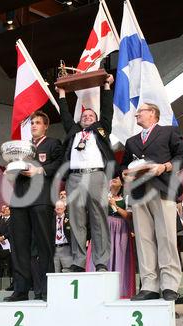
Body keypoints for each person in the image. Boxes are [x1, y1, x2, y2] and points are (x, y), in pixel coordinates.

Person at [121, 103, 183, 301]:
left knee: (166, 237)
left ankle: (169, 284)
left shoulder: (169, 132)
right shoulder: (131, 141)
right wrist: (124, 174)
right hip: (138, 192)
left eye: (140, 111)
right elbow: (124, 164)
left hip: (162, 188)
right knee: (143, 240)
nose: (136, 114)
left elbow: (182, 156)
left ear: (152, 113)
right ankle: (149, 284)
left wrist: (165, 167)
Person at [57, 75, 115, 273]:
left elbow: (108, 110)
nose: (87, 118)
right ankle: (78, 262)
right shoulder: (73, 131)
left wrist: (107, 86)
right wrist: (63, 94)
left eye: (91, 116)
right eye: (84, 116)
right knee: (76, 220)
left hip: (97, 176)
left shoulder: (101, 129)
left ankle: (101, 262)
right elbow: (64, 114)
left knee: (99, 219)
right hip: (74, 177)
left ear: (96, 120)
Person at [5, 110, 63, 302]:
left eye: (38, 123)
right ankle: (21, 289)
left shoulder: (53, 143)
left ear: (45, 126)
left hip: (41, 199)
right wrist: (11, 171)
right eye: (32, 123)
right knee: (19, 246)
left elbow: (61, 164)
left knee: (44, 245)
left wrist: (41, 169)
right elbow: (15, 167)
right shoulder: (22, 147)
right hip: (20, 198)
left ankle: (47, 289)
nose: (34, 126)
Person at [53, 200, 72, 273]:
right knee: (55, 272)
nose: (59, 210)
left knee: (67, 270)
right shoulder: (52, 219)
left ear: (64, 208)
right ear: (55, 209)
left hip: (66, 248)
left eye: (61, 208)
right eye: (57, 209)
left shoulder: (69, 218)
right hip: (55, 248)